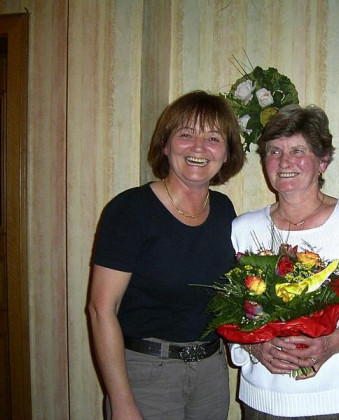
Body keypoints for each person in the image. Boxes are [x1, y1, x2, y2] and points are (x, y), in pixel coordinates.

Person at [229, 104, 339, 419]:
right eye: (274, 151)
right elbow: (231, 309)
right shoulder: (244, 228)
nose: (284, 162)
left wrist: (337, 341)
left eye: (298, 151)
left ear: (323, 161)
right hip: (265, 401)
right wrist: (252, 346)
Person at [87, 90, 245, 419]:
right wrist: (121, 401)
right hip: (147, 375)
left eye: (213, 138)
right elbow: (101, 310)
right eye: (186, 134)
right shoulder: (131, 210)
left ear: (227, 153)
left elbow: (226, 297)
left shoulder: (224, 210)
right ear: (165, 145)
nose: (199, 147)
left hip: (210, 373)